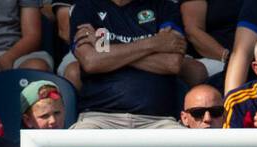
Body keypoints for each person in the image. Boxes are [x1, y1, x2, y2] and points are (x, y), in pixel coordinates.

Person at [70, 0, 204, 129]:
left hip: (159, 121)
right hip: (98, 118)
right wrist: (154, 43)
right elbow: (91, 61)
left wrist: (107, 51)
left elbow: (172, 64)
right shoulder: (85, 8)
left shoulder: (165, 7)